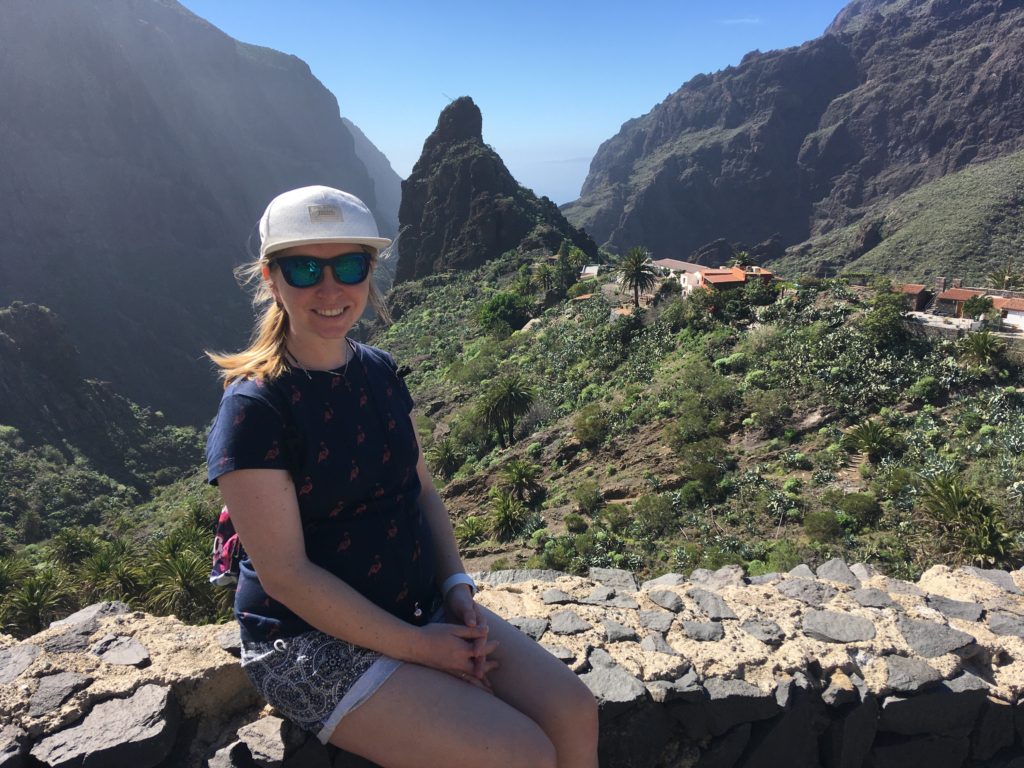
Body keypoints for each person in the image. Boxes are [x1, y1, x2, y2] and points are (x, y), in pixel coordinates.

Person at [206, 186, 598, 768]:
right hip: (308, 640)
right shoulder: (255, 407)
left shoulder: (381, 371)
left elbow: (423, 491)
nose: (330, 289)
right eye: (305, 268)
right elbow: (286, 576)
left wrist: (455, 587)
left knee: (574, 710)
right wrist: (421, 649)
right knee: (523, 754)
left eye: (349, 266)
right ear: (271, 277)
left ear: (371, 271)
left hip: (418, 607)